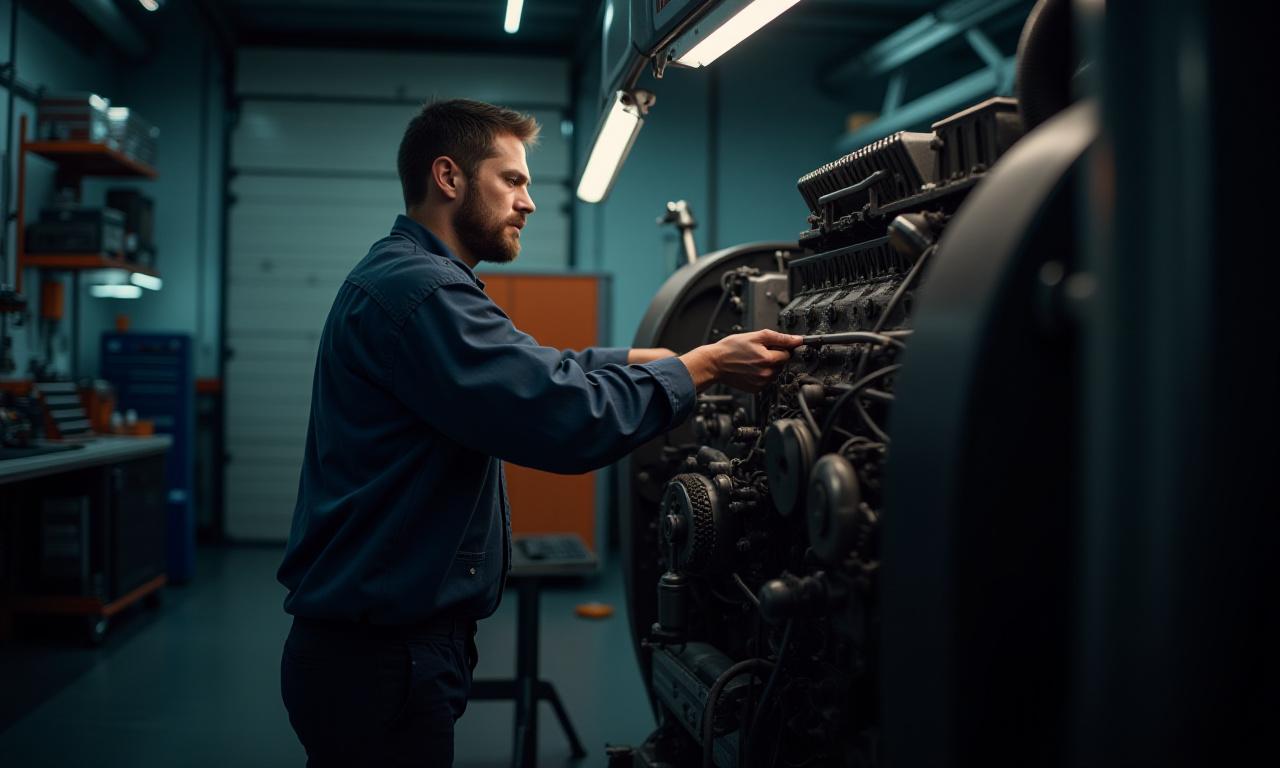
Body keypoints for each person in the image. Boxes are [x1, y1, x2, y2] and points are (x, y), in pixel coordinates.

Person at [277, 98, 801, 766]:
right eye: (513, 180)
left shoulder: (404, 279)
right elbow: (561, 416)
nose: (528, 202)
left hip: (374, 647)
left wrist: (647, 360)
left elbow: (537, 370)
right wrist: (700, 367)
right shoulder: (425, 292)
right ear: (449, 177)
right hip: (382, 656)